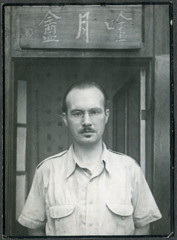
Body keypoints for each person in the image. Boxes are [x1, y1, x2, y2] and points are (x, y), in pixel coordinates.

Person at [18, 81, 162, 236]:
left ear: (106, 115)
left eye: (94, 112)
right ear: (65, 118)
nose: (86, 122)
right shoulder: (47, 171)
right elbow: (34, 227)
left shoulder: (130, 169)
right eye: (77, 113)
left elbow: (143, 225)